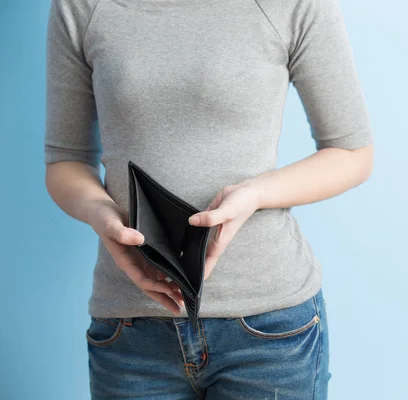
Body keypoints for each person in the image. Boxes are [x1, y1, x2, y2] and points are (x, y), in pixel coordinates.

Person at [43, 0, 374, 398]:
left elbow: (352, 153)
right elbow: (65, 161)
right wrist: (102, 214)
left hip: (269, 329)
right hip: (131, 331)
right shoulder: (82, 6)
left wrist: (254, 194)